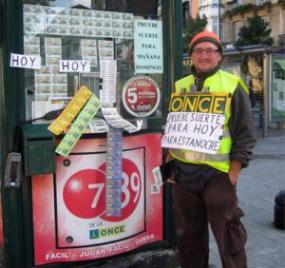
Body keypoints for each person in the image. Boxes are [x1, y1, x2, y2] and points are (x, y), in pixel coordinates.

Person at [167, 31, 257, 268]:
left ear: (219, 56)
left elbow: (245, 134)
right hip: (183, 177)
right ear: (191, 56)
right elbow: (174, 129)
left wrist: (233, 174)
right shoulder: (180, 85)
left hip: (218, 176)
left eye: (210, 50)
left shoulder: (232, 86)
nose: (204, 55)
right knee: (188, 239)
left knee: (229, 239)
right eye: (198, 50)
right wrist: (170, 168)